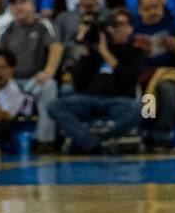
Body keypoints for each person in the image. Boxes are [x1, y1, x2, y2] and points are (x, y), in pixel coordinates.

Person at [49, 8, 146, 154]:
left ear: (130, 28)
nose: (114, 29)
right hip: (89, 99)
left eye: (119, 24)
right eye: (112, 25)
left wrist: (106, 53)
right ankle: (92, 142)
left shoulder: (135, 52)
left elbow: (127, 80)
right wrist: (85, 54)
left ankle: (91, 141)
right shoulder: (95, 50)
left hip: (119, 100)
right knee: (55, 105)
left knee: (140, 108)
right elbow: (79, 84)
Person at [0, 0, 61, 149]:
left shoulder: (43, 25)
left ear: (33, 4)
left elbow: (56, 48)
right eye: (14, 4)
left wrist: (49, 71)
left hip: (35, 81)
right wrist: (3, 79)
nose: (18, 7)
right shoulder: (6, 30)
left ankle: (45, 141)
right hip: (12, 82)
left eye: (23, 2)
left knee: (49, 85)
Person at [132, 0, 175, 149]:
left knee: (165, 89)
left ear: (162, 7)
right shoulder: (134, 28)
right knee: (146, 88)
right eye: (147, 8)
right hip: (142, 75)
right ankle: (146, 129)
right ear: (139, 9)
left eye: (156, 8)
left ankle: (162, 134)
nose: (152, 12)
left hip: (168, 75)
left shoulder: (172, 26)